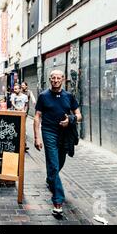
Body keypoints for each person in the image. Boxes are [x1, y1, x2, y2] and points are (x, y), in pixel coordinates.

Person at [33, 70, 82, 215]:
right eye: (53, 78)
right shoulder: (43, 96)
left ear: (63, 80)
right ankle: (58, 200)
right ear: (49, 80)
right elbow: (37, 117)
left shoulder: (69, 96)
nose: (55, 80)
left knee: (59, 162)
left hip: (64, 134)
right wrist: (37, 137)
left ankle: (50, 179)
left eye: (58, 78)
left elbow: (79, 115)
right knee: (53, 164)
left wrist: (70, 120)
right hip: (49, 132)